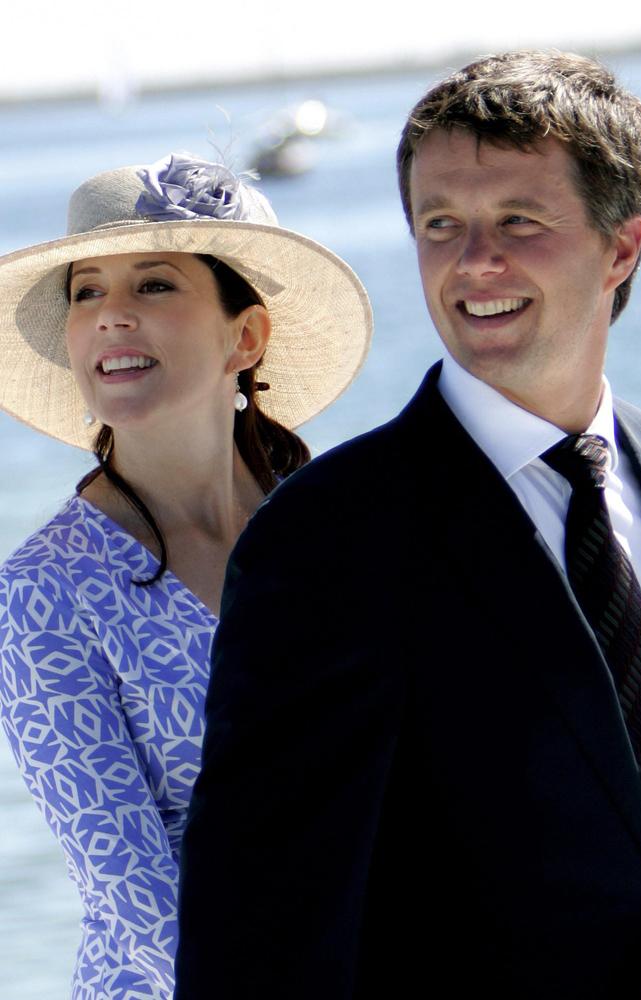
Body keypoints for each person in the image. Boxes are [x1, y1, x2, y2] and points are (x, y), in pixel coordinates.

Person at [174, 51, 641, 1000]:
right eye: (442, 226)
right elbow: (254, 930)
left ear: (622, 249)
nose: (476, 262)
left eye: (519, 220)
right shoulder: (324, 543)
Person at [0, 151, 372, 1000]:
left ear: (246, 336)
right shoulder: (42, 594)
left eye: (155, 285)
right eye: (87, 291)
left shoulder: (342, 537)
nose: (110, 317)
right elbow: (133, 901)